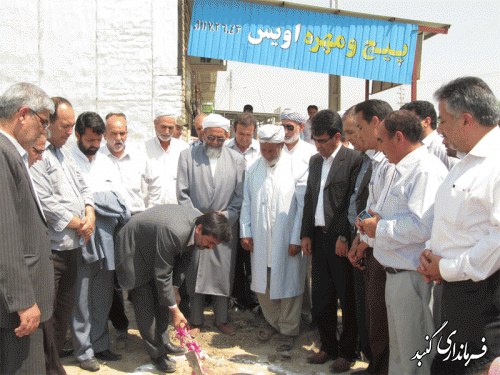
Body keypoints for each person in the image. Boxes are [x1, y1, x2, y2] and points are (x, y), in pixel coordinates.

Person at [417, 77, 500, 375]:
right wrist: (431, 254)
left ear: (466, 119)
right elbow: (451, 220)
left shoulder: (496, 163)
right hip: (453, 288)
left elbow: (497, 241)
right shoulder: (466, 161)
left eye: (443, 120)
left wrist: (446, 267)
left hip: (482, 298)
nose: (439, 128)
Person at [358, 110, 448, 375]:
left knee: (413, 354)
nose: (379, 147)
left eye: (382, 140)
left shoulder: (425, 170)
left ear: (399, 138)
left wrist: (380, 228)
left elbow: (423, 225)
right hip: (395, 273)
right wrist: (373, 224)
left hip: (412, 276)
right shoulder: (401, 167)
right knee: (399, 353)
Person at [115, 206, 232, 374]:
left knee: (165, 297)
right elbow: (163, 275)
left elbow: (185, 259)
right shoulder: (175, 232)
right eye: (211, 242)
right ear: (199, 229)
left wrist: (175, 288)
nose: (212, 248)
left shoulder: (199, 228)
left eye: (215, 244)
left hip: (155, 248)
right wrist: (175, 310)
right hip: (134, 250)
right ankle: (157, 355)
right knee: (145, 305)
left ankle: (163, 342)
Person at [31, 97, 95, 375]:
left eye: (72, 126)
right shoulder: (38, 154)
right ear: (49, 123)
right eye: (65, 126)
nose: (70, 132)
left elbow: (83, 186)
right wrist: (79, 223)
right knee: (47, 316)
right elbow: (46, 203)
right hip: (52, 251)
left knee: (64, 314)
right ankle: (49, 367)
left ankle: (54, 366)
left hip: (73, 247)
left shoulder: (65, 153)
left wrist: (90, 213)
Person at [300, 109, 362, 373]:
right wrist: (304, 233)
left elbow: (354, 202)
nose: (318, 145)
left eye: (323, 140)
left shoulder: (354, 160)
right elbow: (310, 200)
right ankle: (328, 346)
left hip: (341, 241)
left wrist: (344, 236)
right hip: (318, 238)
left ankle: (348, 352)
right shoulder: (315, 161)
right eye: (315, 139)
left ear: (337, 137)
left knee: (346, 298)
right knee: (321, 296)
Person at [0, 82, 55, 375]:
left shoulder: (11, 152)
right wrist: (23, 301)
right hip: (15, 309)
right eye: (43, 123)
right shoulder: (3, 153)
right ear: (23, 114)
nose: (43, 132)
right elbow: (5, 235)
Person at [70, 112, 129, 371]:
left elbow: (121, 204)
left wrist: (92, 201)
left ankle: (101, 345)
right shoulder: (66, 161)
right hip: (80, 240)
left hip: (106, 241)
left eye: (98, 139)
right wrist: (97, 200)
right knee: (81, 300)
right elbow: (70, 203)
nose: (94, 144)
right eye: (90, 139)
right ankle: (83, 352)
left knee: (103, 297)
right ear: (78, 135)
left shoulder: (106, 162)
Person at [240, 125, 307, 352]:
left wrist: (296, 238)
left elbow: (302, 208)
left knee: (289, 285)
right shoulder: (253, 168)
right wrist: (245, 231)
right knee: (263, 284)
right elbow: (247, 203)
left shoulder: (297, 168)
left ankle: (288, 330)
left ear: (281, 146)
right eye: (264, 150)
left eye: (272, 150)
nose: (267, 155)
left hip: (286, 237)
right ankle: (274, 323)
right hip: (259, 237)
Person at [177, 113, 245, 337]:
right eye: (211, 138)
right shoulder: (187, 156)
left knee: (223, 274)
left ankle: (222, 319)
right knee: (195, 273)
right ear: (203, 134)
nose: (215, 142)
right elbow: (183, 194)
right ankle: (196, 320)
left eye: (220, 138)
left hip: (224, 227)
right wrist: (201, 220)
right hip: (198, 227)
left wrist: (224, 216)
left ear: (227, 136)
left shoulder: (237, 159)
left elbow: (239, 197)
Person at [349, 99, 394, 375]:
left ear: (376, 124)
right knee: (373, 319)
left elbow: (383, 214)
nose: (357, 133)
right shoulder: (375, 161)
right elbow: (371, 208)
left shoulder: (391, 163)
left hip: (389, 254)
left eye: (360, 126)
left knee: (384, 325)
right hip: (371, 247)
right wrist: (360, 240)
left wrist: (364, 239)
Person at [341, 106, 373, 374]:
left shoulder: (384, 161)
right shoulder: (362, 159)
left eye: (355, 130)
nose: (351, 138)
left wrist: (362, 229)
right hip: (358, 237)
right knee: (359, 303)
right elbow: (356, 202)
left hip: (373, 241)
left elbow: (376, 207)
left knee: (373, 310)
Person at [225, 112, 260, 310]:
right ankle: (237, 296)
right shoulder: (225, 149)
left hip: (253, 210)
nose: (245, 139)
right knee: (235, 255)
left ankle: (254, 298)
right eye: (241, 134)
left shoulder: (260, 151)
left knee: (252, 254)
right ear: (234, 130)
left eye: (249, 135)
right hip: (231, 208)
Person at [143, 110, 189, 207]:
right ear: (155, 124)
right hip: (149, 210)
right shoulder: (143, 148)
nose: (166, 132)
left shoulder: (183, 149)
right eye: (163, 127)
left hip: (176, 209)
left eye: (170, 128)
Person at [400, 100, 459, 170]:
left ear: (426, 122)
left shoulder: (442, 147)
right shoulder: (416, 146)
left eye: (411, 121)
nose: (407, 126)